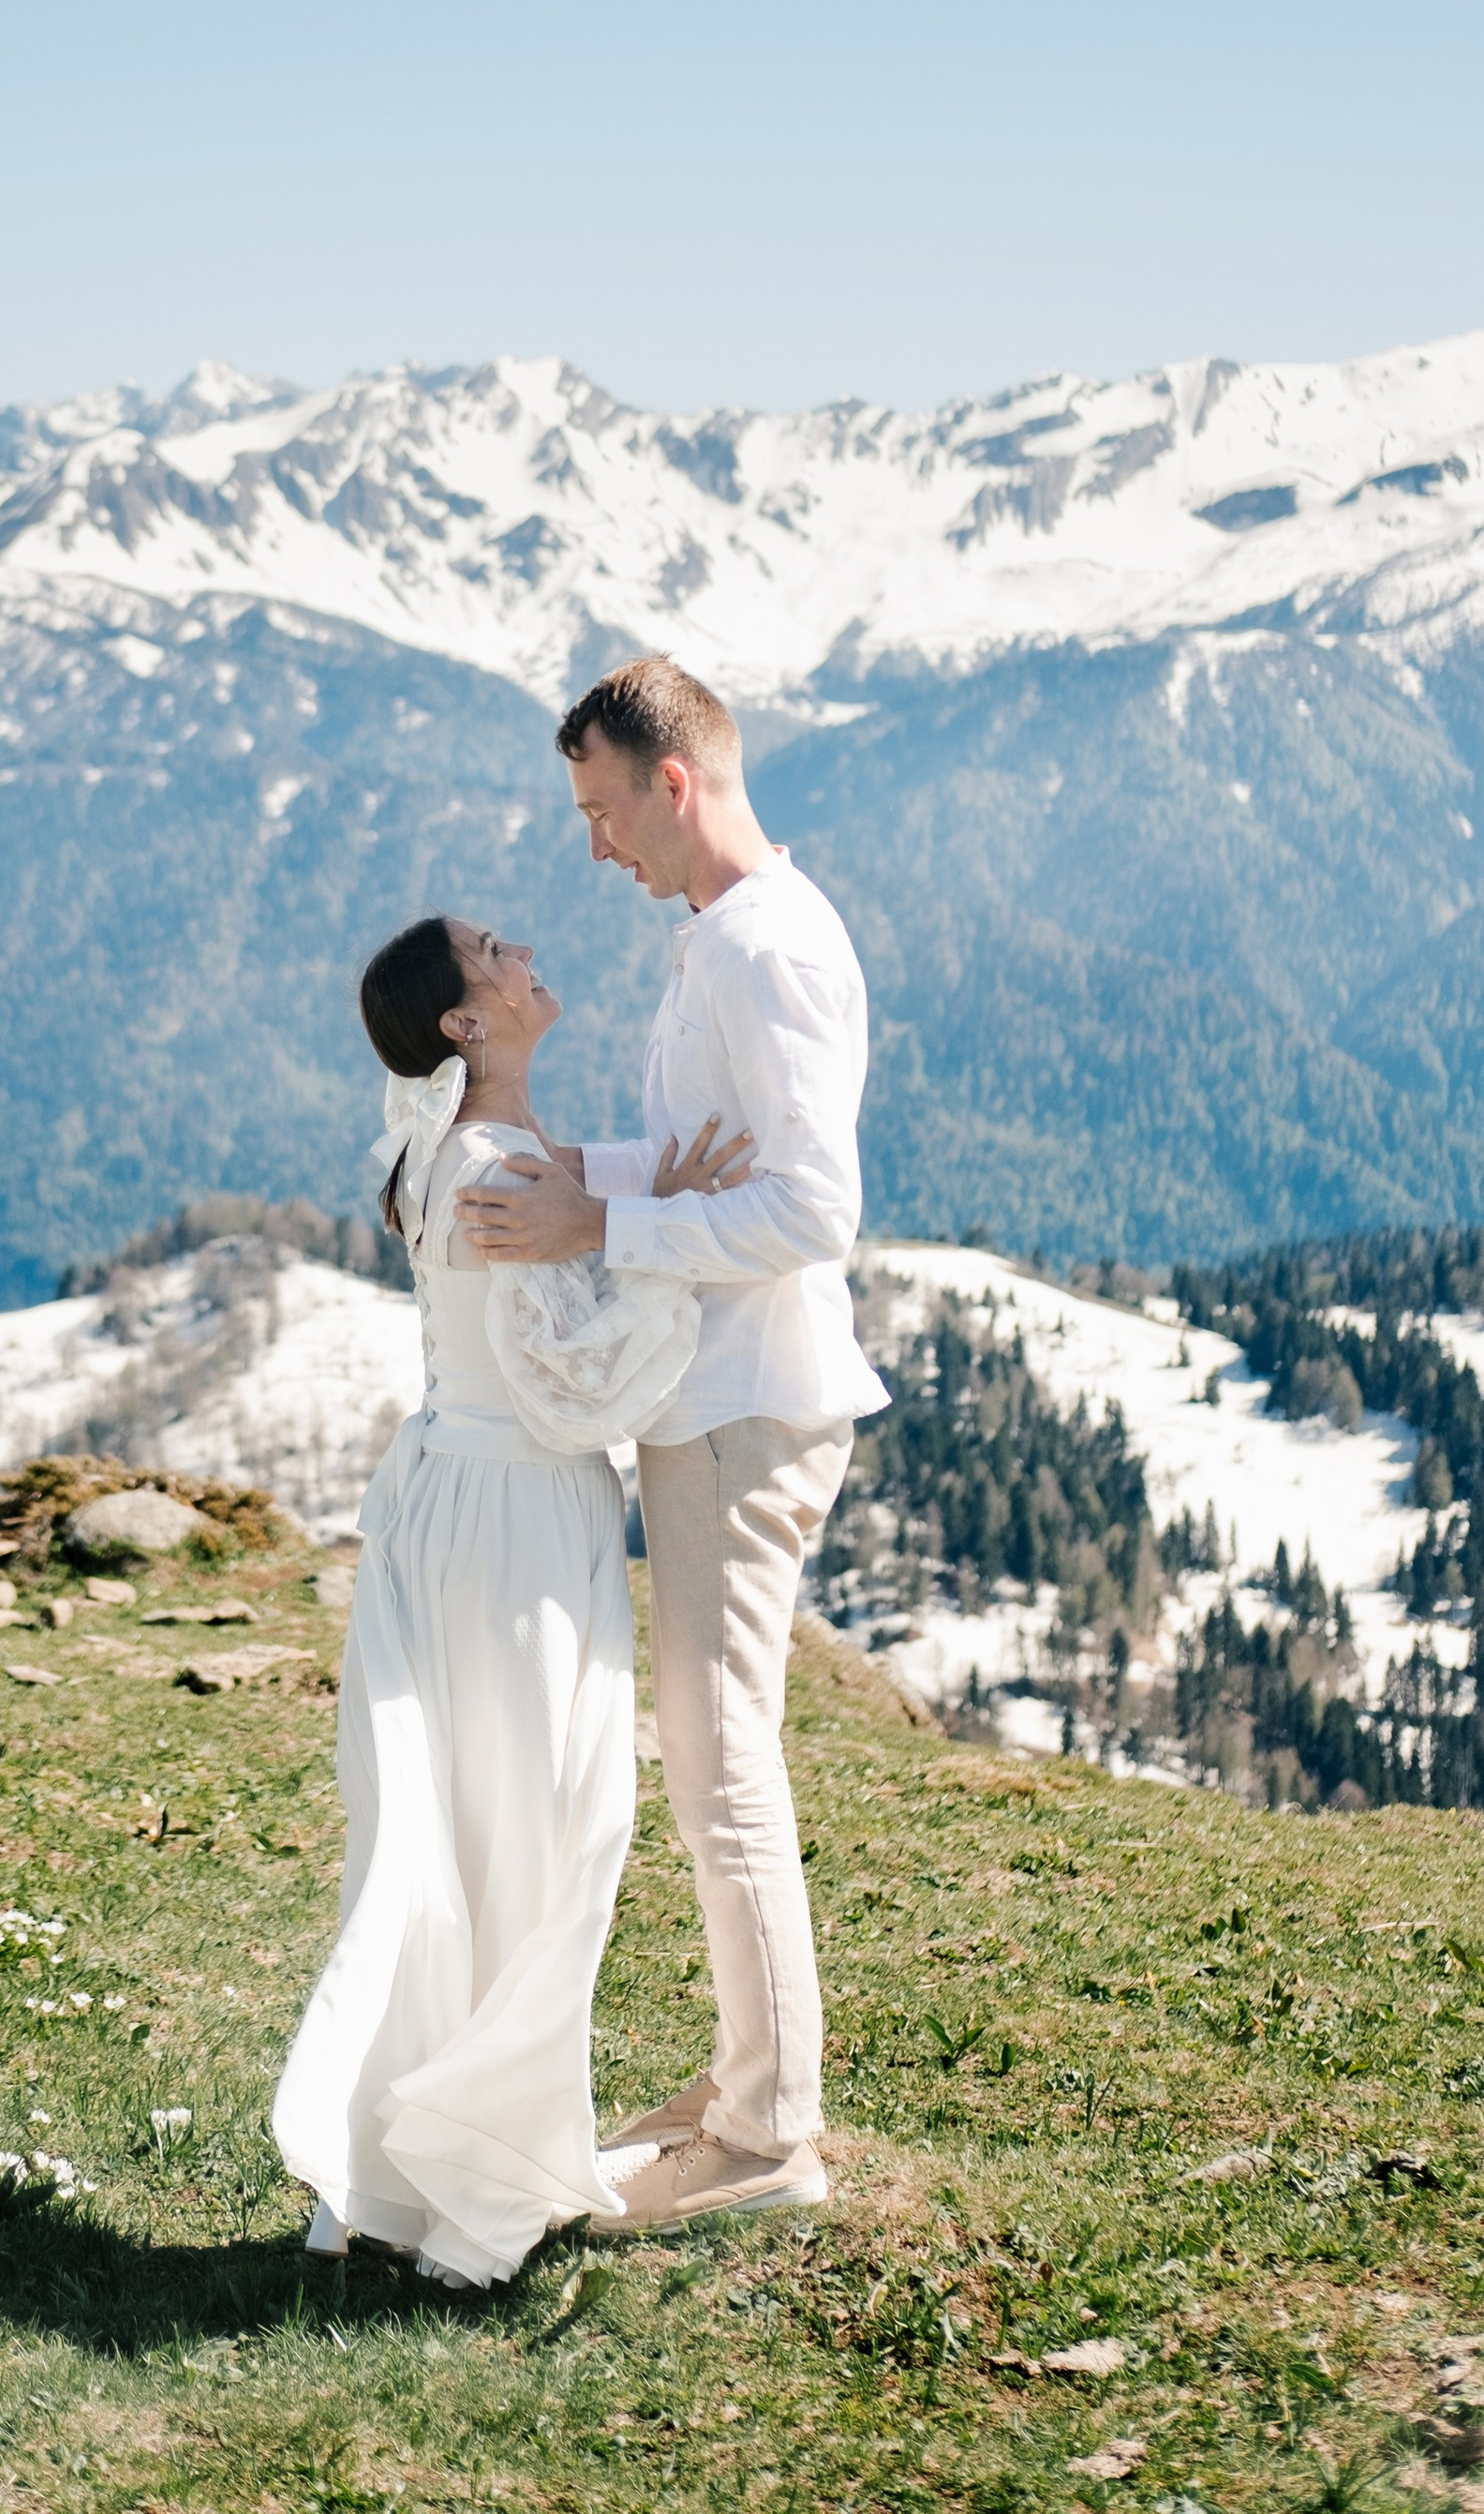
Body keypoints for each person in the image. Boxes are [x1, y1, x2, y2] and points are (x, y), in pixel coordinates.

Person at [457, 653, 883, 2235]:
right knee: (718, 1762)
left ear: (673, 781)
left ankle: (769, 2134)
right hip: (716, 1398)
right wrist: (592, 1169)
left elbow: (809, 1208)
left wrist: (603, 1218)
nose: (592, 849)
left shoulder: (761, 950)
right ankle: (736, 2084)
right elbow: (723, 1162)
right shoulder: (737, 932)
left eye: (599, 809)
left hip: (741, 1405)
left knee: (723, 1776)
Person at [271, 911, 750, 2286]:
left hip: (456, 1498)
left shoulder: (460, 1148)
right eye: (494, 952)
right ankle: (475, 2176)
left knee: (474, 1828)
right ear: (466, 1026)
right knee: (546, 1828)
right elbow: (580, 1384)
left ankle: (435, 2157)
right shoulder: (493, 1157)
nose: (530, 947)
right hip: (517, 1519)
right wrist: (676, 1237)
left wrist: (645, 1195)